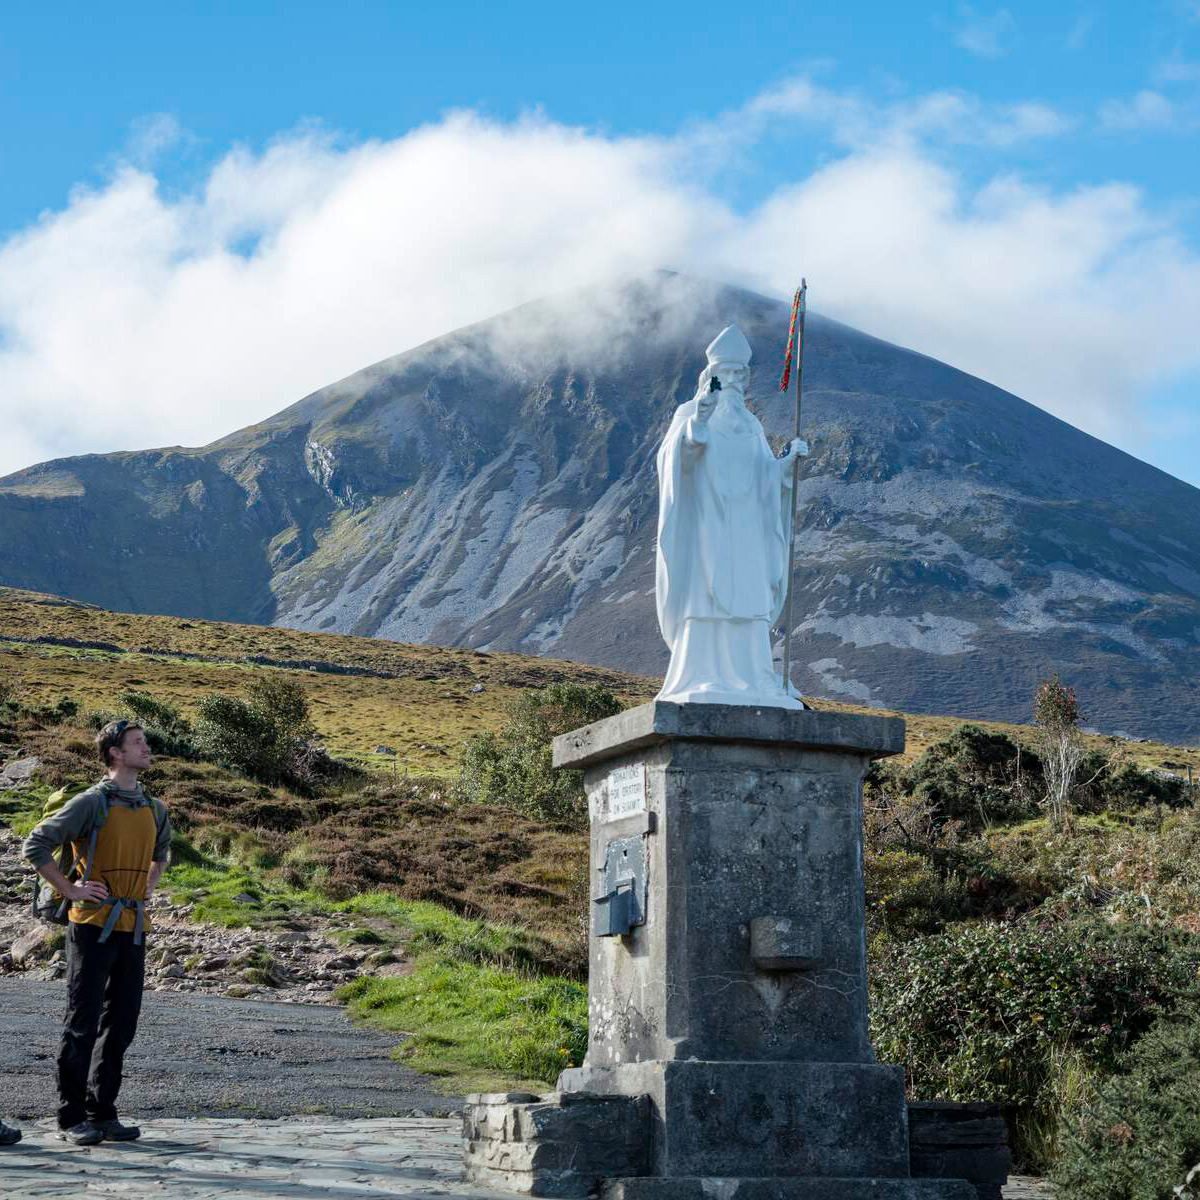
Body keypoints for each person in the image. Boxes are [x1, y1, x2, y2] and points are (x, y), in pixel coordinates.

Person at [22, 720, 171, 1146]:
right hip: (89, 926)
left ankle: (102, 1113)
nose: (146, 748)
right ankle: (70, 1120)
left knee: (121, 1023)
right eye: (138, 743)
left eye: (145, 741)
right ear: (115, 754)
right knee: (82, 1023)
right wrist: (69, 889)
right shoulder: (92, 803)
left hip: (134, 926)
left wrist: (150, 885)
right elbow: (36, 844)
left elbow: (162, 853)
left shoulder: (153, 808)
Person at [655, 323, 809, 707]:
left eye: (742, 374)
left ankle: (757, 678)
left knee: (750, 601)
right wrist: (699, 423)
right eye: (729, 374)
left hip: (747, 532)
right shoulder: (691, 413)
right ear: (712, 377)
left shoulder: (751, 425)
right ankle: (704, 674)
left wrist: (786, 467)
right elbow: (676, 463)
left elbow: (764, 476)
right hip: (708, 528)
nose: (737, 381)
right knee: (707, 598)